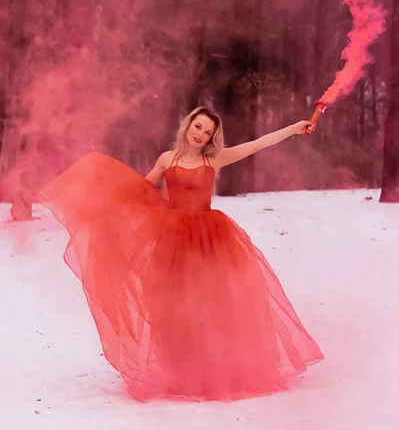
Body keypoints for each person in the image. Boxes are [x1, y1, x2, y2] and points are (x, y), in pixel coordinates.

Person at [39, 105, 323, 402]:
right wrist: (106, 197)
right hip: (173, 239)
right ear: (188, 126)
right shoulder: (167, 159)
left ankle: (216, 372)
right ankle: (184, 373)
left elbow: (257, 144)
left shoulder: (214, 158)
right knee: (174, 306)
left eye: (208, 132)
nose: (201, 135)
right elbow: (141, 190)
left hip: (210, 239)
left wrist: (293, 128)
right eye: (198, 127)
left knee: (211, 305)